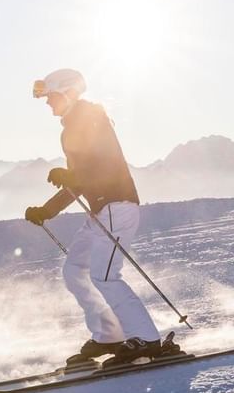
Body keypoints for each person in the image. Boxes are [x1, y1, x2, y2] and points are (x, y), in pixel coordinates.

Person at [25, 69, 164, 365]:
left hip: (118, 206)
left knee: (104, 275)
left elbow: (105, 166)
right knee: (74, 270)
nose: (48, 104)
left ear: (67, 93)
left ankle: (147, 339)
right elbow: (77, 182)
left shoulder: (92, 119)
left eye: (50, 97)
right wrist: (46, 211)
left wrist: (71, 174)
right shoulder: (70, 128)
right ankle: (109, 334)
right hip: (101, 211)